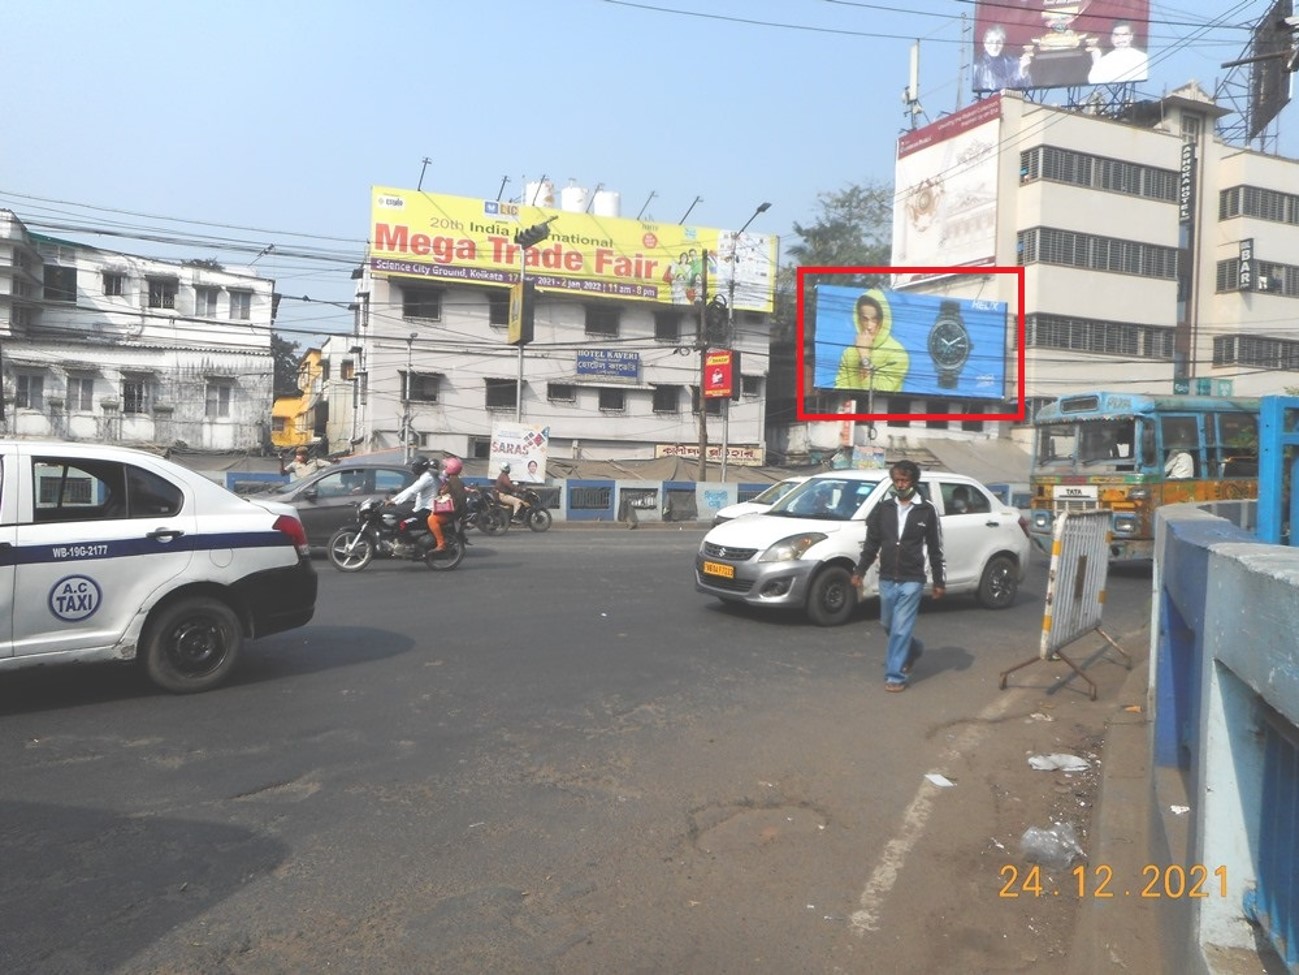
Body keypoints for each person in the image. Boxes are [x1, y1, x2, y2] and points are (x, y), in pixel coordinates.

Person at [850, 460, 945, 693]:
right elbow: (872, 544)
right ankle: (914, 649)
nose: (900, 485)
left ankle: (895, 675)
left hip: (912, 578)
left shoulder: (927, 510)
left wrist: (939, 581)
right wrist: (859, 571)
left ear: (913, 481)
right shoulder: (883, 509)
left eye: (904, 480)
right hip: (887, 577)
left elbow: (936, 547)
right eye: (896, 480)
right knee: (888, 624)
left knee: (901, 628)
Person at [835, 290, 910, 392]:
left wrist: (864, 355)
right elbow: (839, 389)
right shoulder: (848, 353)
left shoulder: (897, 353)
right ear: (858, 320)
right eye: (865, 319)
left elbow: (879, 391)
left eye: (874, 320)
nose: (869, 326)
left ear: (884, 320)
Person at [389, 456, 446, 553]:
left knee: (402, 524)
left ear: (420, 468)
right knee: (398, 520)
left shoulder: (427, 478)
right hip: (420, 508)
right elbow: (412, 490)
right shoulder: (424, 476)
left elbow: (412, 490)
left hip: (427, 510)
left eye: (415, 466)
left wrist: (395, 501)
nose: (413, 468)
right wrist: (395, 500)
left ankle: (409, 546)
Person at [973, 24, 1032, 91]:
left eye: (998, 42)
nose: (994, 46)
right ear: (984, 42)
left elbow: (1027, 90)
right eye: (990, 42)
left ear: (1003, 43)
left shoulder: (1014, 62)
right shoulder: (976, 66)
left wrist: (1023, 73)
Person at [440, 455, 470, 547]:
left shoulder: (451, 482)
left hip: (453, 510)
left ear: (450, 468)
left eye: (446, 467)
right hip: (459, 510)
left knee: (432, 520)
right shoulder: (458, 481)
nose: (444, 468)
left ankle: (440, 543)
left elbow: (442, 492)